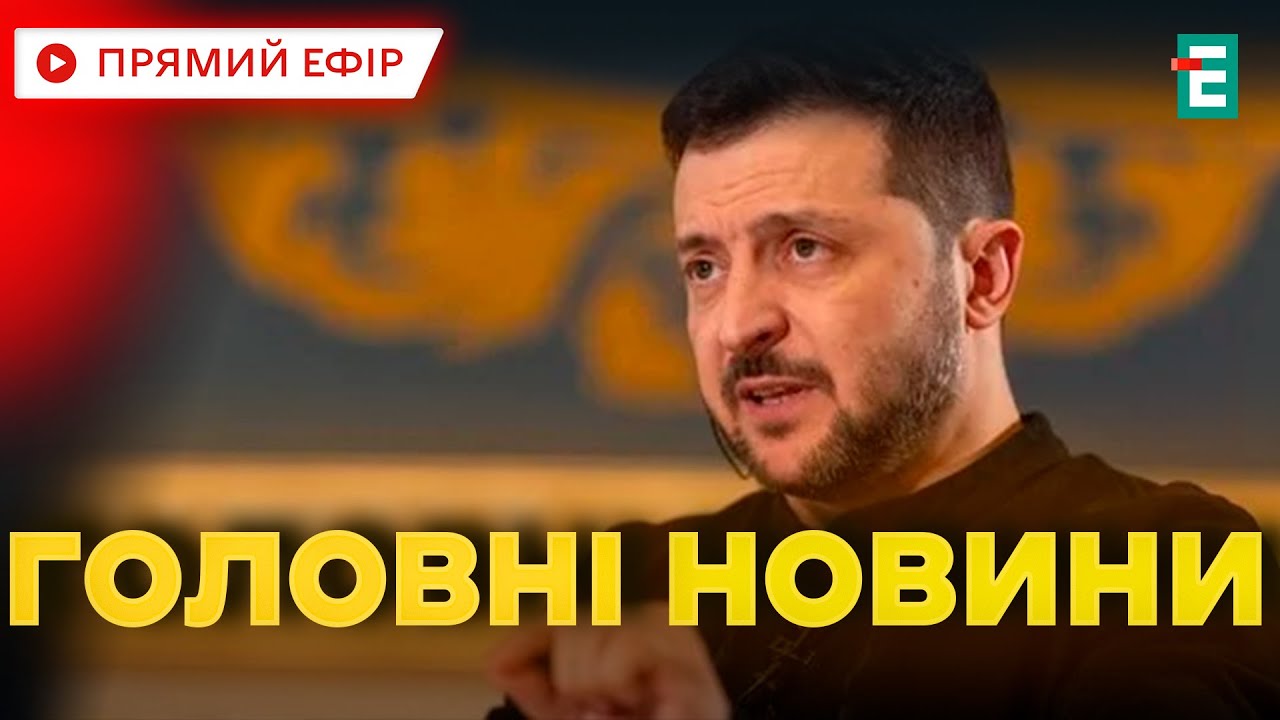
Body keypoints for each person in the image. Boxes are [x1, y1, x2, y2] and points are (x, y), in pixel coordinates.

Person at [487, 31, 1280, 719]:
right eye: (705, 266)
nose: (736, 324)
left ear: (983, 276)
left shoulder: (1158, 567)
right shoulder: (645, 585)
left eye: (805, 248)